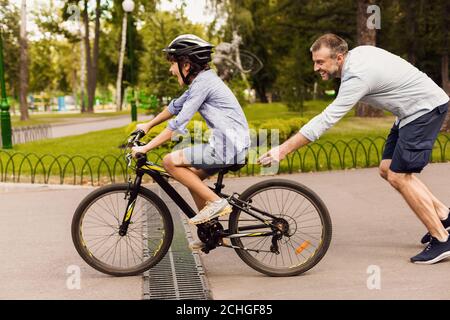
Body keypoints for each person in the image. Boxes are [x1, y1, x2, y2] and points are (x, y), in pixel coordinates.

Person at [258, 33, 450, 264]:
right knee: (387, 168)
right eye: (314, 61)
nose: (315, 68)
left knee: (399, 176)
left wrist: (284, 149)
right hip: (409, 112)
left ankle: (442, 240)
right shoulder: (357, 55)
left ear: (339, 58)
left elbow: (327, 118)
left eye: (320, 62)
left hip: (423, 109)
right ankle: (445, 216)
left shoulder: (357, 76)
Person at [132, 34, 250, 230]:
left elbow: (178, 123)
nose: (171, 70)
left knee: (170, 161)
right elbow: (175, 107)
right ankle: (213, 232)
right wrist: (148, 125)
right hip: (230, 145)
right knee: (191, 178)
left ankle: (217, 202)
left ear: (186, 65)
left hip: (228, 147)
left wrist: (146, 148)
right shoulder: (203, 81)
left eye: (172, 64)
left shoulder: (203, 84)